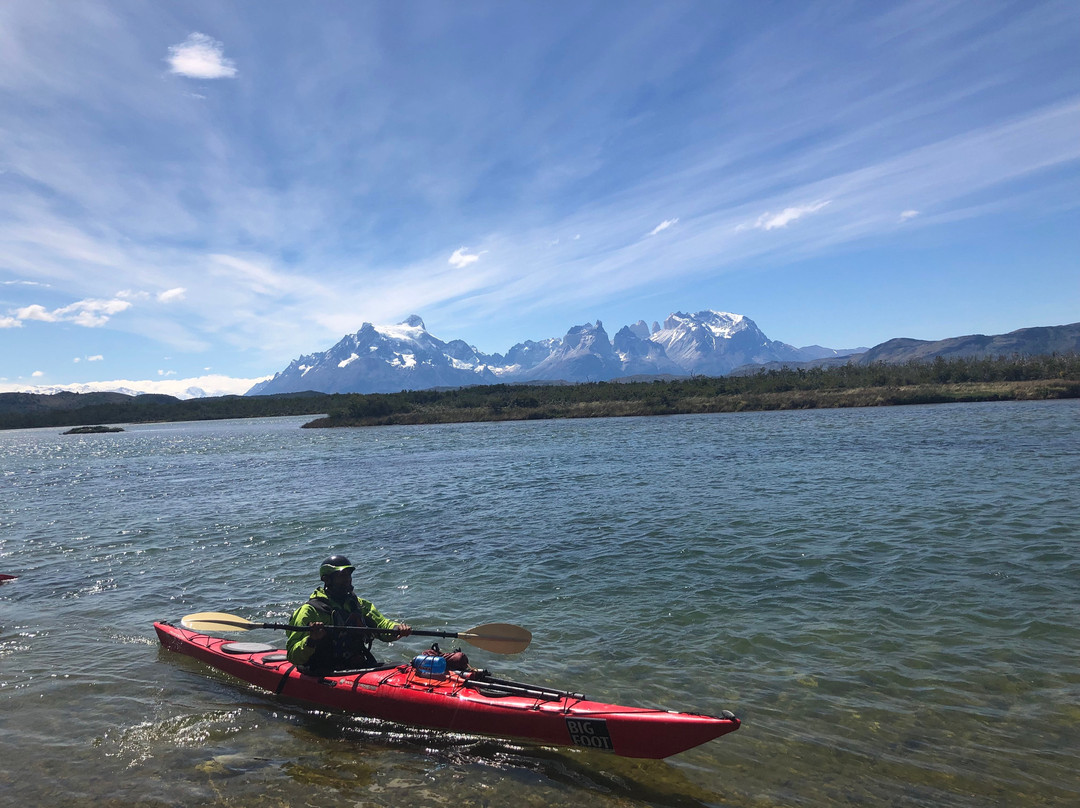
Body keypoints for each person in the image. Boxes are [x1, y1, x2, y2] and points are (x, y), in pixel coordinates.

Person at [286, 555, 411, 672]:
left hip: (356, 666)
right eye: (341, 575)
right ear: (326, 579)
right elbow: (293, 656)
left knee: (401, 666)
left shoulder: (357, 604)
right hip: (323, 670)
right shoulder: (309, 611)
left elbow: (381, 624)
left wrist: (396, 628)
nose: (347, 580)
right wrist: (311, 640)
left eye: (349, 575)